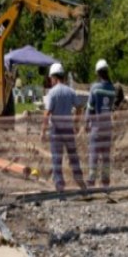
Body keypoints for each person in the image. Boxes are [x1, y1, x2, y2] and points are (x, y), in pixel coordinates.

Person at [41, 63, 86, 192]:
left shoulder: (52, 93)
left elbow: (47, 113)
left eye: (50, 79)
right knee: (73, 157)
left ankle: (60, 189)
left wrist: (43, 131)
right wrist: (76, 123)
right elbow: (79, 107)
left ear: (54, 78)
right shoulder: (70, 91)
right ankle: (81, 184)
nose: (50, 81)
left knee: (57, 159)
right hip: (68, 130)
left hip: (56, 131)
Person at [85, 59, 122, 187]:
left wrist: (86, 123)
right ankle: (106, 183)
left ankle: (91, 182)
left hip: (96, 126)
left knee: (94, 154)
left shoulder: (95, 88)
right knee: (106, 156)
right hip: (107, 126)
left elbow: (90, 108)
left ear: (98, 73)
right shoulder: (112, 89)